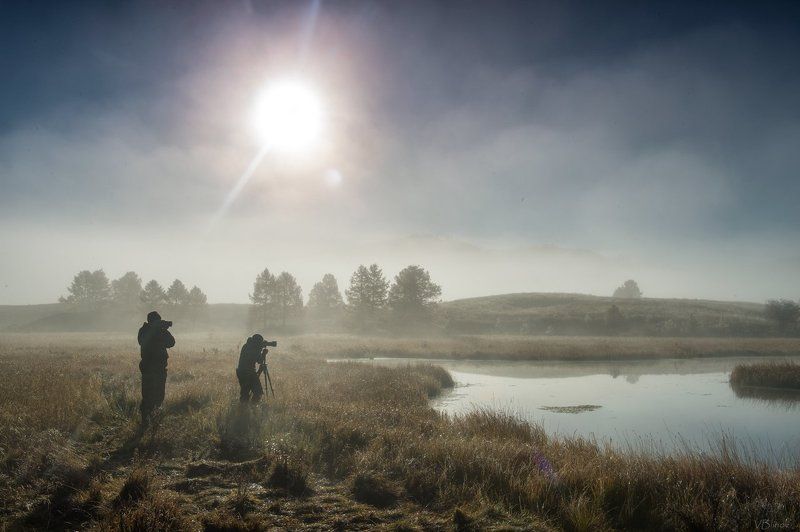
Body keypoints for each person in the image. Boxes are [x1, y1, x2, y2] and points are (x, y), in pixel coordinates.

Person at [137, 310, 175, 425]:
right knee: (149, 394)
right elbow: (143, 341)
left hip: (156, 367)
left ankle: (154, 418)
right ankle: (146, 419)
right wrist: (159, 330)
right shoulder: (145, 331)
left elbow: (171, 342)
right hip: (151, 367)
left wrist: (161, 329)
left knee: (157, 394)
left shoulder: (150, 330)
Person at [237, 333, 267, 403]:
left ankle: (244, 409)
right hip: (248, 373)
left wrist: (260, 348)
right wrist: (263, 353)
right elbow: (259, 360)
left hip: (241, 372)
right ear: (257, 343)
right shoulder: (253, 348)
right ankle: (252, 407)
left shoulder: (247, 346)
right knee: (258, 392)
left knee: (245, 393)